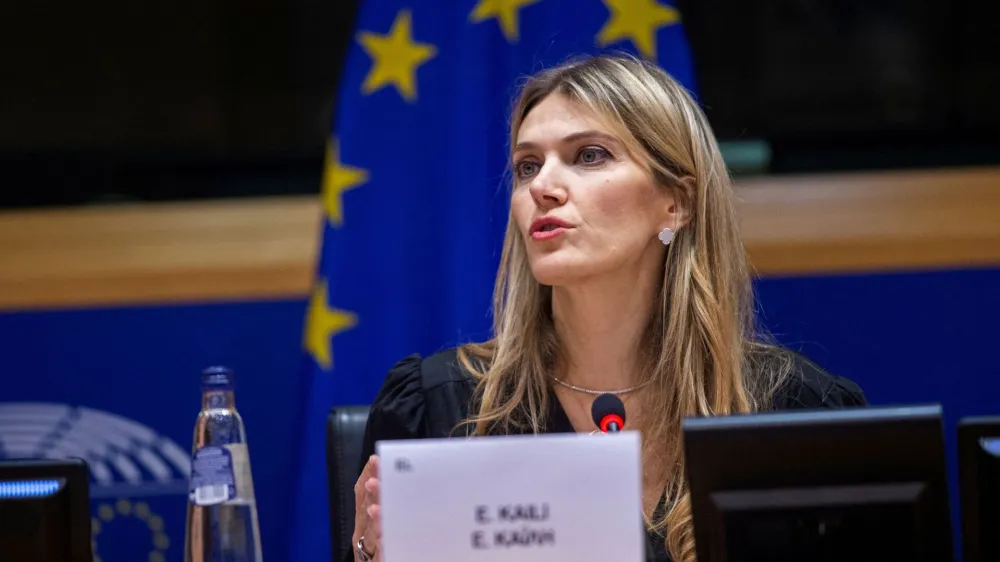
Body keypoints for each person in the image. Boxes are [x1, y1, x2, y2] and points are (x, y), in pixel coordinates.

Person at [347, 53, 867, 562]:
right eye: (527, 166)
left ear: (677, 203)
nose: (543, 187)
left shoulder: (793, 414)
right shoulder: (442, 408)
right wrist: (371, 555)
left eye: (589, 155)